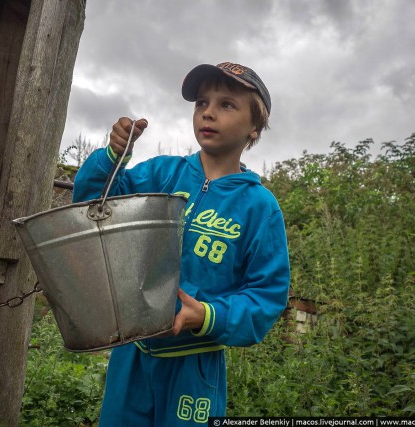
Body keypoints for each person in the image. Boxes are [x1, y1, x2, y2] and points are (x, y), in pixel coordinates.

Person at [72, 61, 291, 426]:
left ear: (255, 126)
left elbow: (266, 297)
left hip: (195, 362)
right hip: (133, 353)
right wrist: (112, 157)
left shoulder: (259, 208)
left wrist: (207, 316)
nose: (208, 112)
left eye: (226, 104)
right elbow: (95, 206)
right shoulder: (161, 174)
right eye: (201, 102)